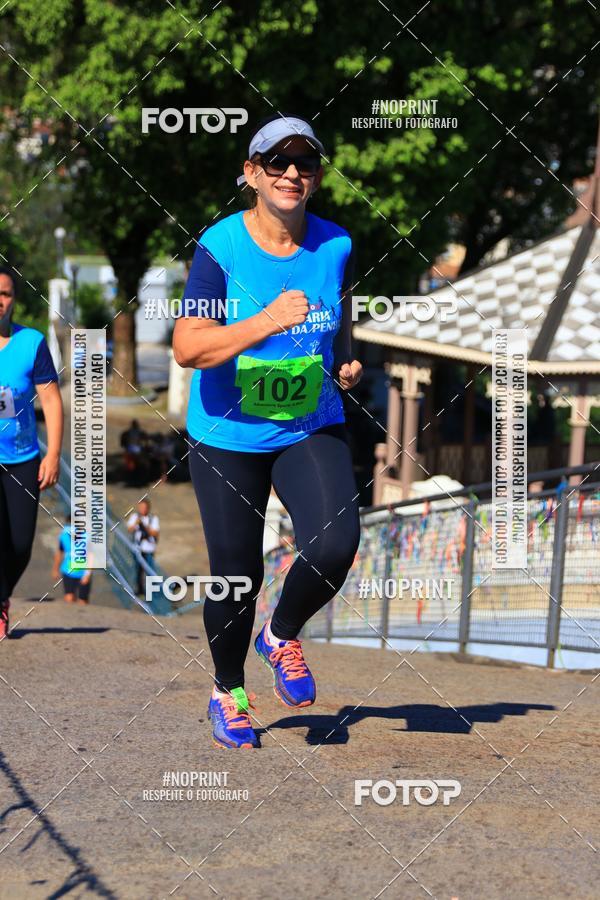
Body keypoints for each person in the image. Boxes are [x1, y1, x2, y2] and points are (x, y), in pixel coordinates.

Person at [173, 113, 363, 749]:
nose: (290, 174)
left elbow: (340, 320)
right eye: (276, 163)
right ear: (251, 174)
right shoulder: (220, 247)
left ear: (316, 176)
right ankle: (228, 691)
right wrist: (267, 321)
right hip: (228, 434)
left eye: (303, 164)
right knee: (236, 574)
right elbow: (188, 349)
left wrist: (346, 360)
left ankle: (280, 635)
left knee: (336, 545)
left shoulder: (335, 244)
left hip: (309, 421)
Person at [0, 266, 63, 639]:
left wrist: (52, 454)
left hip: (23, 458)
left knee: (21, 542)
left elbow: (52, 401)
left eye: (5, 294)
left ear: (14, 300)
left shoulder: (32, 343)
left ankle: (3, 595)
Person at [52, 514, 92, 604]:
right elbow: (59, 553)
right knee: (69, 598)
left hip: (83, 573)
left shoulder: (87, 537)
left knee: (82, 601)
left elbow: (90, 556)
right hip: (67, 572)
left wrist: (87, 574)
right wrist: (55, 569)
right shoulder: (64, 536)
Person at [126, 499, 160, 596]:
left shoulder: (153, 518)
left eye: (144, 508)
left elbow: (155, 533)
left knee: (150, 571)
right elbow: (129, 529)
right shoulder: (134, 517)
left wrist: (145, 526)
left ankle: (151, 592)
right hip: (138, 549)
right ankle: (140, 590)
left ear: (148, 508)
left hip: (149, 549)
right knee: (138, 570)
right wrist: (136, 523)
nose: (142, 510)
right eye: (141, 507)